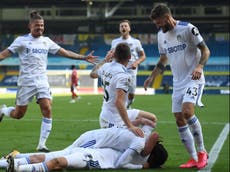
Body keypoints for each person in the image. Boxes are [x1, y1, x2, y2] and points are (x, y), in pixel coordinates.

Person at [0, 10, 97, 152]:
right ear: (30, 26)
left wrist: (83, 58)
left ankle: (42, 145)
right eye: (37, 25)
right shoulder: (21, 41)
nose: (40, 28)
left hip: (42, 81)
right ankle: (3, 110)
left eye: (42, 25)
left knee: (47, 108)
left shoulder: (46, 41)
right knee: (18, 114)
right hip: (26, 82)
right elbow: (4, 54)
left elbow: (66, 52)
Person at [143, 4, 210, 170]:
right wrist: (152, 77)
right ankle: (193, 158)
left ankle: (202, 152)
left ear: (167, 18)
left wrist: (199, 67)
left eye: (159, 23)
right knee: (179, 118)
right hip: (177, 82)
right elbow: (163, 60)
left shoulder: (188, 29)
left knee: (187, 112)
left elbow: (205, 50)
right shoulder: (161, 36)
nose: (158, 26)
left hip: (193, 78)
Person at [2, 123, 168, 171]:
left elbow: (150, 126)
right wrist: (144, 166)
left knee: (54, 157)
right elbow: (122, 164)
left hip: (94, 148)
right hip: (93, 143)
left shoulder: (141, 141)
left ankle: (11, 160)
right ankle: (15, 164)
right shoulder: (139, 145)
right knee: (60, 159)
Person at [90, 43, 150, 137]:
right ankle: (139, 141)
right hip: (112, 119)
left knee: (151, 119)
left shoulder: (106, 66)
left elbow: (92, 74)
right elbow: (119, 102)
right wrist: (130, 125)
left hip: (107, 112)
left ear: (114, 55)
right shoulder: (124, 76)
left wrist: (105, 60)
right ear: (130, 57)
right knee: (123, 147)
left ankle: (141, 139)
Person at [110, 20, 146, 109]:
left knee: (131, 94)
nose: (123, 28)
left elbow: (143, 56)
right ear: (119, 29)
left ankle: (128, 104)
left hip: (131, 70)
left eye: (125, 26)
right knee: (119, 91)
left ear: (129, 28)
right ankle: (122, 108)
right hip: (118, 70)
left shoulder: (136, 42)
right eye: (121, 26)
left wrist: (136, 63)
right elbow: (111, 55)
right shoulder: (114, 42)